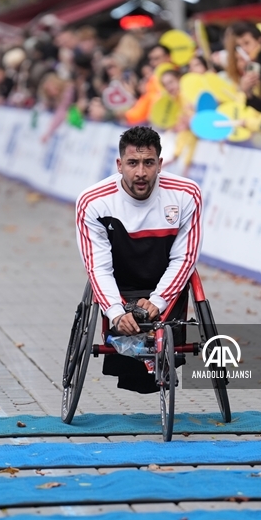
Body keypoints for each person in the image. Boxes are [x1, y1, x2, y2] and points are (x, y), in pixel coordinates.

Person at [76, 126, 201, 393]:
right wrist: (115, 312)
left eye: (148, 163)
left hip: (165, 286)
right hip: (120, 286)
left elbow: (185, 257)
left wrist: (158, 300)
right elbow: (98, 267)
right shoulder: (93, 202)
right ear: (119, 165)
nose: (141, 173)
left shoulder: (186, 194)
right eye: (133, 163)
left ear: (160, 164)